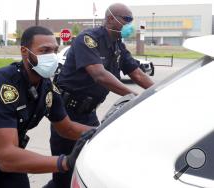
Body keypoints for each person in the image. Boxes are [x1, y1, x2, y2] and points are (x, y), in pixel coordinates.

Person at [0, 26, 95, 188]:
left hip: (13, 163)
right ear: (24, 52)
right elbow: (6, 156)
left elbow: (66, 128)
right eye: (44, 50)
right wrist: (65, 162)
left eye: (55, 50)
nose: (52, 56)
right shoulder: (3, 84)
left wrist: (100, 132)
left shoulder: (46, 86)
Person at [46, 3, 155, 188]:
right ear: (111, 18)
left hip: (89, 113)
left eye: (131, 20)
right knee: (64, 173)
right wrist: (134, 96)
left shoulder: (118, 45)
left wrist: (158, 92)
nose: (130, 25)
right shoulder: (88, 39)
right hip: (66, 112)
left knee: (89, 162)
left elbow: (136, 73)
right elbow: (99, 74)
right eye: (126, 19)